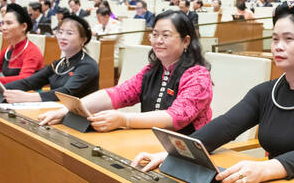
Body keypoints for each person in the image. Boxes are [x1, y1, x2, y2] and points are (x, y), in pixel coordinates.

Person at [132, 1, 294, 183]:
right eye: (275, 39)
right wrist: (174, 153)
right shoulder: (266, 92)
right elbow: (226, 125)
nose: (278, 47)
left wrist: (264, 169)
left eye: (289, 39)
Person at [39, 11, 213, 133]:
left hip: (185, 152)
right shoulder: (151, 71)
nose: (158, 41)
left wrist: (125, 120)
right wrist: (68, 109)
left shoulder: (198, 76)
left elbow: (175, 117)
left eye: (166, 35)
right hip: (148, 141)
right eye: (154, 34)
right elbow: (118, 94)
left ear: (186, 41)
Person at [0, 15, 99, 103]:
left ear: (83, 39)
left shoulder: (88, 66)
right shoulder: (59, 64)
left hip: (80, 119)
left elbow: (66, 92)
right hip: (56, 112)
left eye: (69, 33)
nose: (62, 37)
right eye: (60, 32)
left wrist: (28, 97)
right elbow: (30, 82)